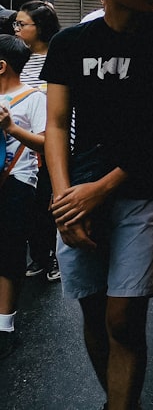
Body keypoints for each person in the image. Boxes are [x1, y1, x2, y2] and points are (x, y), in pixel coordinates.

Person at [42, 0, 153, 410]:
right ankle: (119, 401)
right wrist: (66, 200)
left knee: (123, 318)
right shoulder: (71, 42)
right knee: (92, 310)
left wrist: (100, 190)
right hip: (80, 191)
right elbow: (55, 123)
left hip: (140, 191)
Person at [0, 35, 47, 360]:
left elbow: (47, 143)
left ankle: (5, 325)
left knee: (10, 251)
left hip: (17, 182)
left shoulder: (33, 99)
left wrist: (11, 128)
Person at [15, 0, 62, 283]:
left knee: (51, 203)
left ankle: (56, 256)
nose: (17, 29)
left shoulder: (59, 56)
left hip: (51, 144)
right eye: (16, 24)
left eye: (22, 24)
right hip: (20, 146)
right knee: (32, 207)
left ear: (40, 27)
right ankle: (39, 256)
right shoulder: (16, 57)